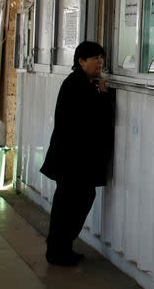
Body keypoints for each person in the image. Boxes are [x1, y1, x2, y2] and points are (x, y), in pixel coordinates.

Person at [40, 41, 115, 266]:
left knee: (71, 202)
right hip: (72, 160)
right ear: (81, 61)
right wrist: (103, 95)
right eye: (94, 58)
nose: (100, 61)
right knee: (71, 204)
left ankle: (61, 248)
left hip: (73, 160)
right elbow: (93, 118)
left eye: (101, 57)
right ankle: (58, 250)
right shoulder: (77, 85)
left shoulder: (82, 83)